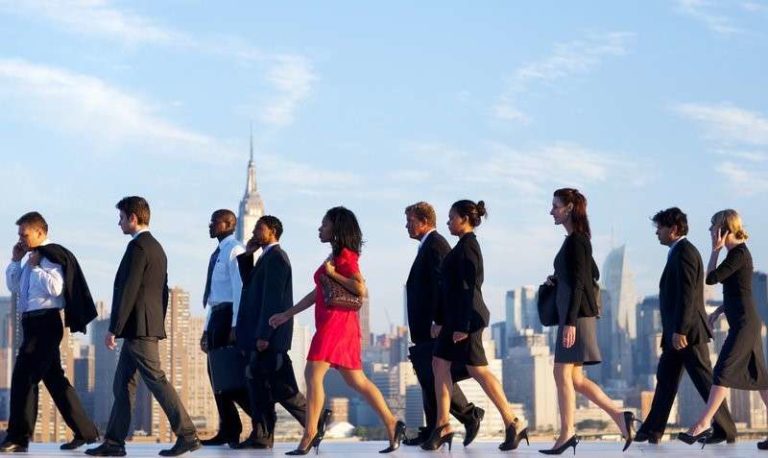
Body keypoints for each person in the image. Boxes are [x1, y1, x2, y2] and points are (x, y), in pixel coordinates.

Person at [268, 206, 405, 455]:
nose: (320, 228)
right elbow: (317, 293)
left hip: (336, 325)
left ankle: (310, 433)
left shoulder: (345, 256)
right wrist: (287, 314)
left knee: (312, 373)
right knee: (356, 380)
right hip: (336, 325)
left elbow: (359, 288)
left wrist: (333, 274)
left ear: (336, 229)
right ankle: (392, 423)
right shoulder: (335, 255)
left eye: (324, 224)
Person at [86, 196, 200, 457]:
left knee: (156, 380)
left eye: (121, 218)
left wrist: (114, 328)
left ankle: (187, 434)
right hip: (144, 326)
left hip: (139, 328)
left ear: (133, 218)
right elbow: (163, 291)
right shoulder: (157, 248)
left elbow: (129, 289)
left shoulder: (138, 247)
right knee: (122, 384)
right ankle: (114, 443)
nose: (119, 223)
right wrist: (156, 320)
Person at [423, 199, 526, 452]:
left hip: (467, 319)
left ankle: (513, 422)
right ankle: (443, 425)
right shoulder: (461, 246)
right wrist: (441, 320)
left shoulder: (469, 246)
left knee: (478, 370)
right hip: (454, 319)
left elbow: (470, 288)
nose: (448, 222)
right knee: (439, 364)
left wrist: (464, 326)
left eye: (451, 217)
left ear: (465, 219)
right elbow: (449, 289)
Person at [541, 188, 634, 455]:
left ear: (569, 208)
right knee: (575, 378)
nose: (551, 211)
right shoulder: (577, 241)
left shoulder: (577, 241)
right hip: (575, 315)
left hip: (576, 317)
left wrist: (570, 322)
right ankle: (620, 416)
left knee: (561, 373)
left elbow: (582, 281)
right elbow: (591, 272)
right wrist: (558, 279)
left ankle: (567, 433)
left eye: (555, 206)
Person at [635, 207, 736, 445]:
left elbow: (688, 294)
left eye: (660, 228)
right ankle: (652, 430)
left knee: (704, 381)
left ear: (674, 229)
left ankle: (727, 429)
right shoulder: (677, 252)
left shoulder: (685, 253)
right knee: (666, 380)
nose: (657, 232)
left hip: (687, 333)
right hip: (677, 332)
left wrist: (680, 330)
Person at [0, 212, 100, 453]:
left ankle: (18, 438)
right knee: (55, 380)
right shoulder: (30, 257)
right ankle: (86, 431)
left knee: (24, 377)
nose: (21, 239)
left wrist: (36, 267)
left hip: (45, 324)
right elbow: (14, 287)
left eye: (24, 234)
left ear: (40, 232)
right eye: (19, 235)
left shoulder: (50, 255)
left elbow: (56, 288)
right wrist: (16, 261)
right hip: (31, 325)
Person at [679, 209, 767, 448]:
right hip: (744, 322)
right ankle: (704, 423)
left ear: (724, 229)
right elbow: (738, 292)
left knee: (722, 371)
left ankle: (703, 423)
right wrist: (719, 310)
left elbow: (711, 279)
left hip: (745, 325)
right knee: (761, 380)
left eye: (713, 226)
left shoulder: (738, 254)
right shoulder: (737, 254)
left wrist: (715, 251)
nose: (709, 230)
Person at [402, 202, 485, 447]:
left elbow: (444, 286)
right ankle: (433, 429)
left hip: (434, 326)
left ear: (424, 221)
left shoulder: (436, 245)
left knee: (435, 374)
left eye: (410, 221)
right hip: (425, 325)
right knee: (428, 376)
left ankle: (468, 416)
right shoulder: (427, 245)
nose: (406, 225)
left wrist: (439, 320)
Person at [234, 215, 312, 448]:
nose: (255, 232)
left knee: (282, 389)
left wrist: (264, 335)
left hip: (269, 337)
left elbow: (273, 300)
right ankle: (262, 436)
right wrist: (248, 255)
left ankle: (315, 421)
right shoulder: (264, 257)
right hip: (260, 335)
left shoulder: (277, 258)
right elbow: (249, 285)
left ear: (273, 232)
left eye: (260, 228)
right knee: (258, 388)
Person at [199, 209, 252, 448]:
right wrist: (205, 329)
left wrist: (235, 325)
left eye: (214, 222)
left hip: (228, 316)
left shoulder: (235, 250)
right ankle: (228, 429)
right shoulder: (218, 252)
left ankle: (261, 419)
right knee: (216, 376)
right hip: (216, 316)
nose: (210, 225)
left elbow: (239, 290)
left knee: (228, 376)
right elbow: (215, 296)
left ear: (228, 224)